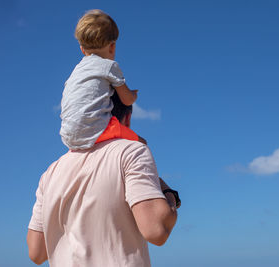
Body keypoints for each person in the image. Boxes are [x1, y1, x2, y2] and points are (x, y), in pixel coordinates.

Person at [27, 92, 180, 266]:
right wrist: (170, 195)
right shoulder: (132, 151)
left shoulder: (50, 173)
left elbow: (36, 252)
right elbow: (156, 230)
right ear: (128, 118)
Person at [60, 9, 139, 150]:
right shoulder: (108, 66)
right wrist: (133, 94)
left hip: (68, 136)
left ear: (82, 49)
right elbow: (127, 100)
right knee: (139, 142)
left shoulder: (76, 72)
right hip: (95, 129)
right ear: (112, 46)